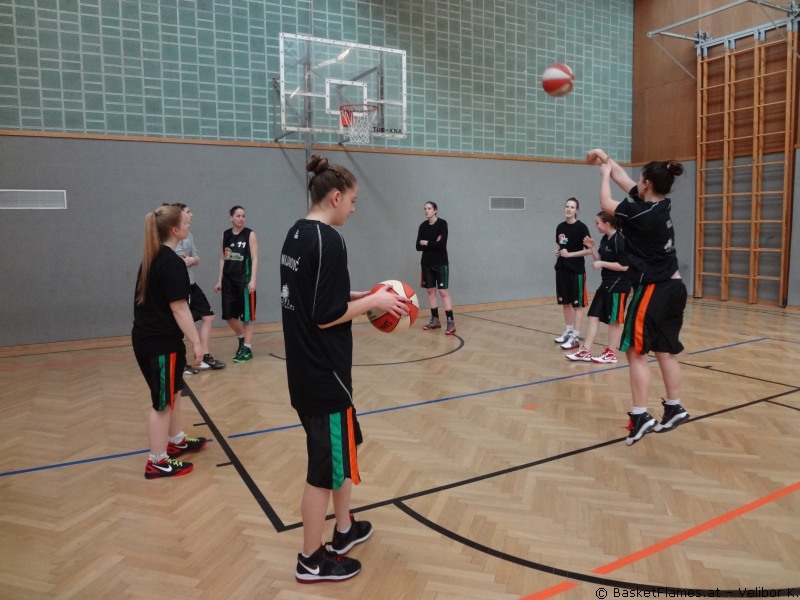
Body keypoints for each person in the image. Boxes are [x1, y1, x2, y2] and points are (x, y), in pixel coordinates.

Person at [280, 154, 410, 583]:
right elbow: (323, 315)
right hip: (325, 375)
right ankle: (311, 559)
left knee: (342, 452)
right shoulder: (330, 240)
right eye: (352, 201)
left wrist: (365, 295)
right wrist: (373, 302)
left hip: (304, 372)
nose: (354, 209)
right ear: (335, 197)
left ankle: (344, 529)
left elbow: (315, 296)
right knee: (323, 471)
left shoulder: (296, 234)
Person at [587, 148, 691, 446]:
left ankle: (641, 415)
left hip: (654, 289)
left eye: (640, 179)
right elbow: (623, 178)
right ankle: (674, 407)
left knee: (634, 352)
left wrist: (603, 175)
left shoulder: (640, 214)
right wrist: (605, 157)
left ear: (646, 183)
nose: (635, 182)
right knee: (664, 350)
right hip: (675, 288)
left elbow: (606, 203)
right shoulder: (658, 204)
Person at [132, 205, 209, 479]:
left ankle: (176, 440)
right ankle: (156, 461)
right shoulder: (170, 262)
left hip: (155, 340)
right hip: (159, 343)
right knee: (162, 403)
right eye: (186, 223)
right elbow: (179, 309)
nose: (189, 225)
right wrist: (197, 343)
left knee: (173, 393)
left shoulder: (153, 258)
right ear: (175, 230)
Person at [565, 211, 631, 364]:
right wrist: (592, 248)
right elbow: (599, 259)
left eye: (598, 223)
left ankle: (611, 353)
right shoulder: (605, 239)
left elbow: (624, 266)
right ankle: (585, 351)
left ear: (607, 224)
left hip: (618, 285)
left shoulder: (620, 240)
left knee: (613, 321)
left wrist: (602, 264)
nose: (596, 226)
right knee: (593, 316)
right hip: (606, 283)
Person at [170, 203, 226, 374]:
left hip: (192, 285)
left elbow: (196, 258)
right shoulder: (172, 236)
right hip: (180, 286)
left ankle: (204, 357)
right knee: (180, 324)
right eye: (188, 212)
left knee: (208, 316)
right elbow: (174, 257)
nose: (191, 214)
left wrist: (192, 260)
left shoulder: (190, 235)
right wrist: (184, 260)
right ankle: (181, 363)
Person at [214, 205, 258, 363]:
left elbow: (255, 259)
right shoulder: (225, 235)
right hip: (228, 281)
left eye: (243, 216)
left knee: (247, 316)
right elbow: (223, 258)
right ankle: (241, 338)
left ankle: (247, 348)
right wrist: (219, 280)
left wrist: (253, 280)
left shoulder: (249, 234)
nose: (241, 218)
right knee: (228, 315)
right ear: (231, 218)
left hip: (244, 281)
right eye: (238, 216)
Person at [553, 198, 592, 350]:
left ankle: (575, 336)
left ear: (577, 210)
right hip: (562, 269)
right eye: (567, 206)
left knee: (577, 305)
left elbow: (589, 250)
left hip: (576, 271)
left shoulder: (581, 228)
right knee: (566, 303)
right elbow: (562, 245)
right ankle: (568, 331)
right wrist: (559, 252)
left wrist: (570, 255)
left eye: (572, 207)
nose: (568, 209)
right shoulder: (560, 227)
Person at [416, 201, 456, 335]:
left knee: (443, 292)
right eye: (425, 208)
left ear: (435, 211)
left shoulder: (442, 224)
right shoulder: (423, 226)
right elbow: (417, 246)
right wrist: (434, 242)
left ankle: (450, 322)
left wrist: (426, 242)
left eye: (429, 208)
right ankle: (435, 320)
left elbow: (441, 245)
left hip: (441, 263)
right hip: (426, 263)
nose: (426, 211)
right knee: (430, 291)